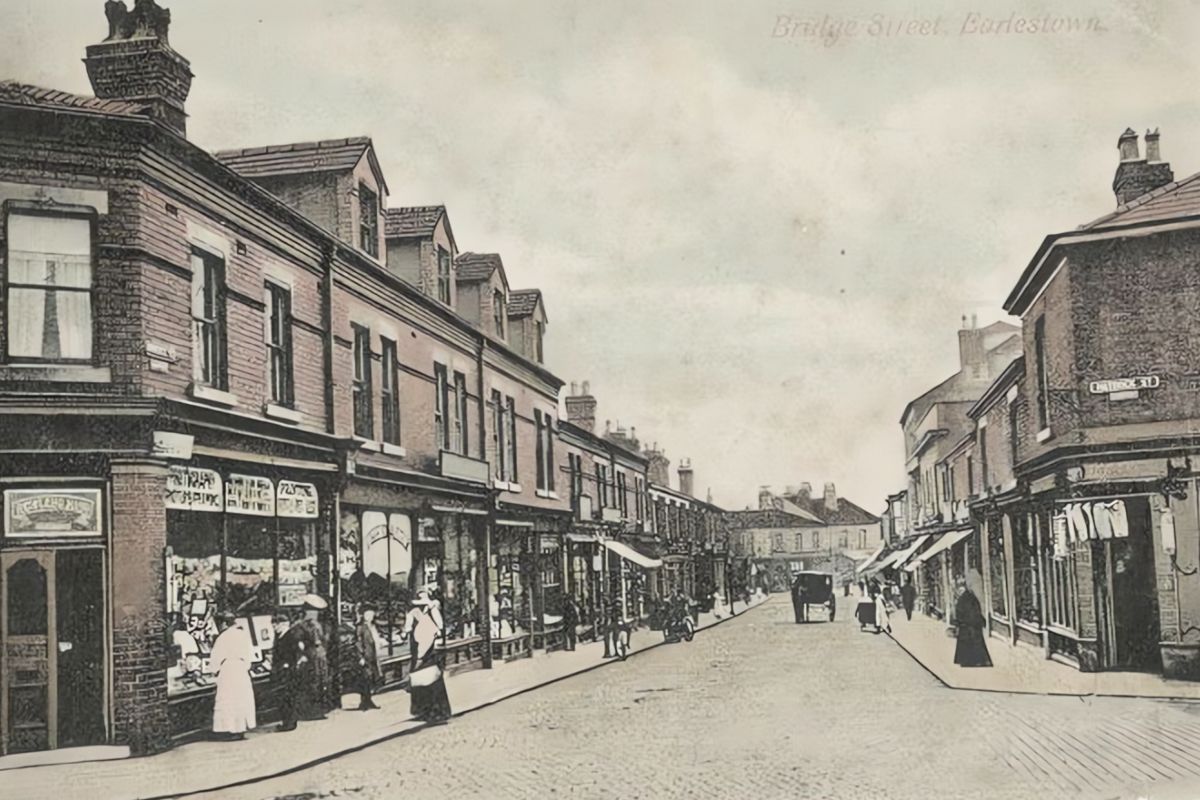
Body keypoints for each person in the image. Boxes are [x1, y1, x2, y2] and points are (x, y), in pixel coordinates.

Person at [405, 589, 451, 723]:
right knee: (420, 681)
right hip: (418, 649)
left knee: (432, 682)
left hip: (430, 651)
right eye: (420, 598)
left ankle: (437, 711)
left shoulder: (432, 611)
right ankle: (422, 710)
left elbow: (439, 627)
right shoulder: (414, 613)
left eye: (424, 598)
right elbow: (408, 629)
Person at [210, 612, 256, 740]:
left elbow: (216, 657)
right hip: (241, 669)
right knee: (241, 699)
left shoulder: (223, 637)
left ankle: (230, 729)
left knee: (229, 700)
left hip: (228, 669)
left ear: (224, 623)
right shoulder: (243, 635)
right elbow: (249, 655)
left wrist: (214, 670)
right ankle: (241, 728)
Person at [295, 594, 330, 720]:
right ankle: (310, 711)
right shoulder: (301, 626)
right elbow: (298, 643)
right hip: (310, 657)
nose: (314, 614)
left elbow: (322, 640)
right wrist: (302, 655)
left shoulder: (317, 625)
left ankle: (319, 710)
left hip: (319, 656)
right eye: (312, 611)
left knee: (321, 682)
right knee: (311, 683)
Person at [954, 571, 993, 667]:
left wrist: (960, 621)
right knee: (975, 644)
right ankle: (975, 661)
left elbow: (965, 612)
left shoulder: (966, 598)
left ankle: (970, 661)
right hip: (971, 625)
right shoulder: (970, 597)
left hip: (969, 625)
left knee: (971, 644)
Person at [272, 611, 302, 732]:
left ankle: (289, 723)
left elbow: (294, 654)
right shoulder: (279, 636)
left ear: (284, 624)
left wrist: (287, 664)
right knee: (284, 697)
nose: (274, 628)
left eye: (276, 625)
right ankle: (287, 721)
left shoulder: (290, 636)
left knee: (289, 697)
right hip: (282, 670)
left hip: (288, 671)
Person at [354, 604, 382, 711]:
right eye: (367, 614)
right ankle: (364, 702)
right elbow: (358, 642)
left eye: (371, 614)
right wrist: (360, 656)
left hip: (373, 655)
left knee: (371, 678)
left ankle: (368, 700)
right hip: (365, 655)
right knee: (365, 678)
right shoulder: (360, 627)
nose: (369, 616)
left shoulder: (373, 626)